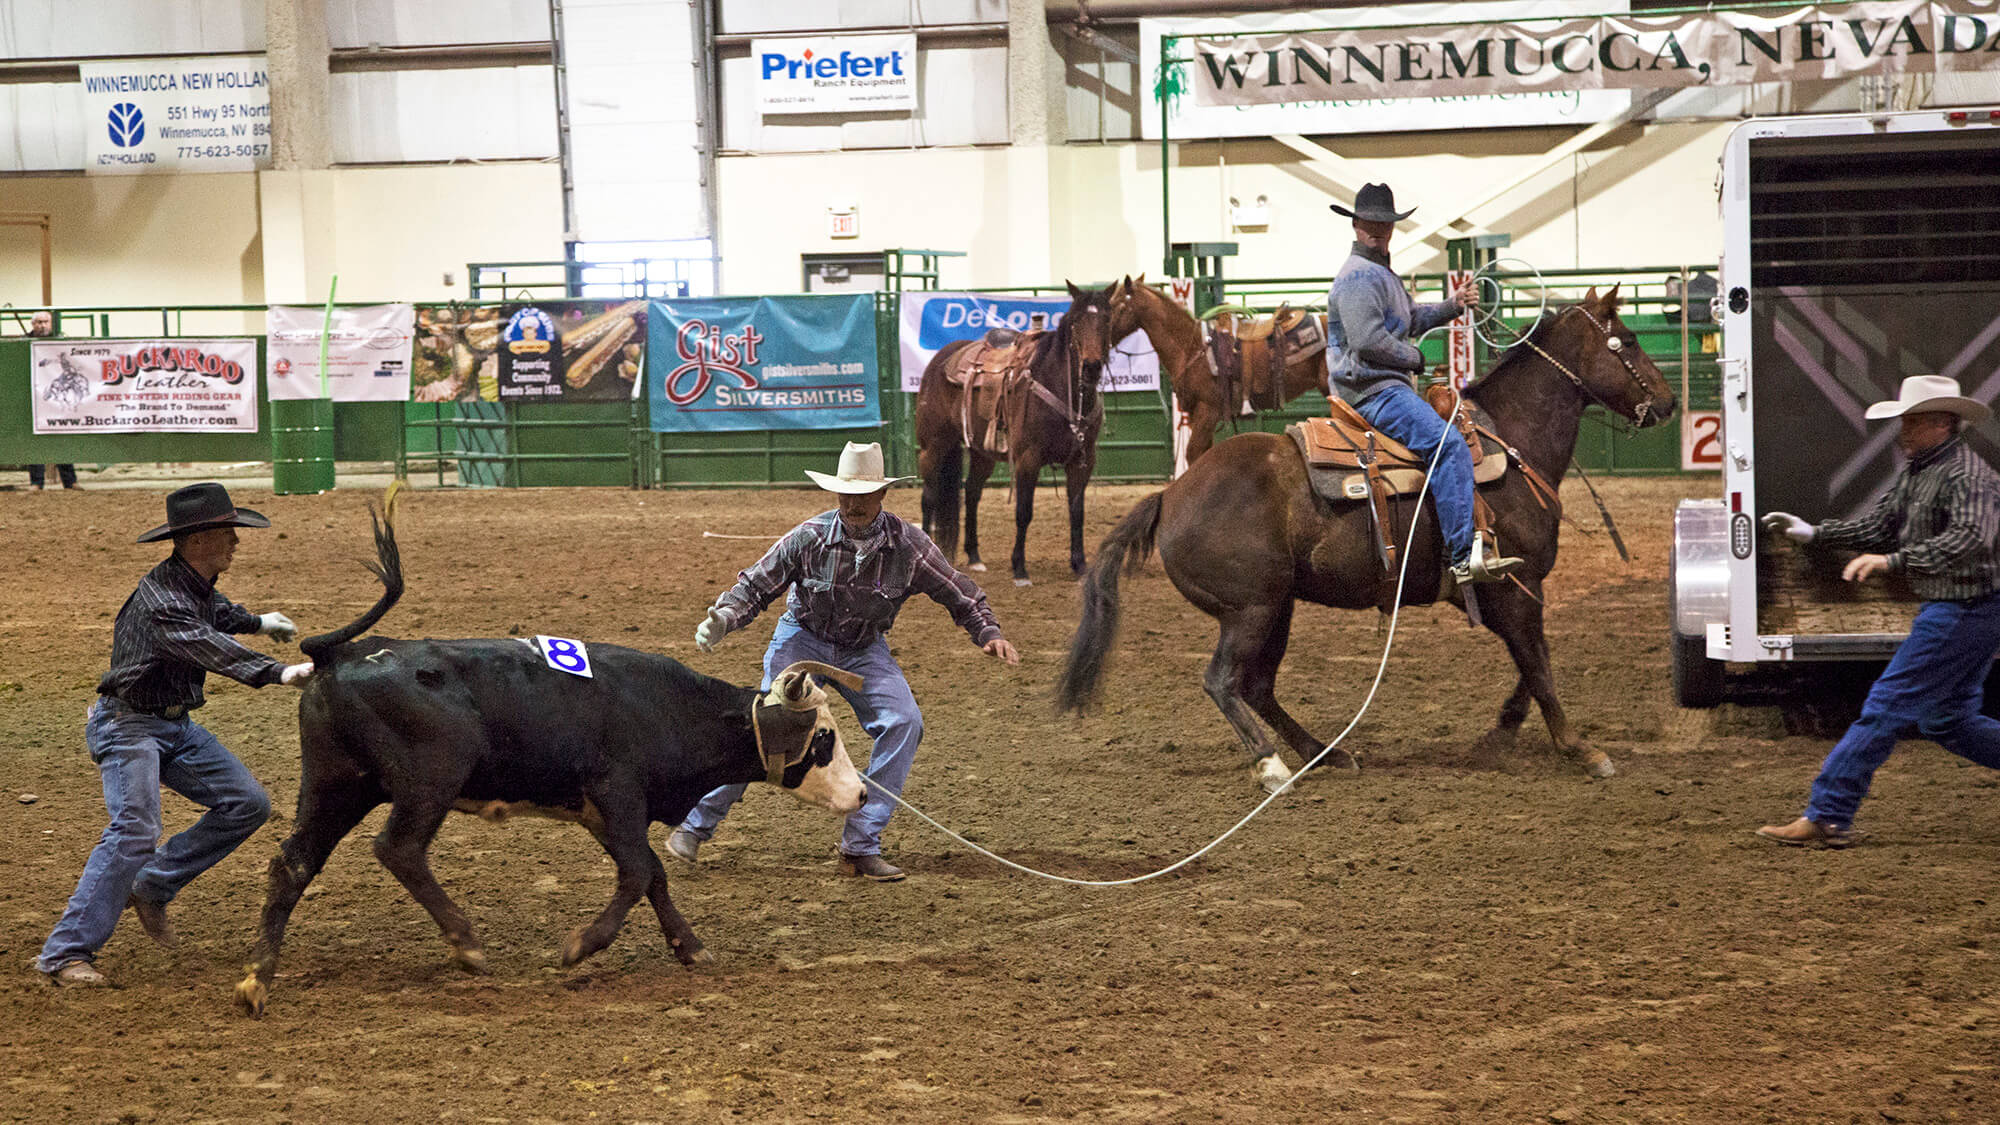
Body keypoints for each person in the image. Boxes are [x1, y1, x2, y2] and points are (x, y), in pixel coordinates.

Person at [669, 441, 1019, 881]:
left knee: (904, 721)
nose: (853, 504)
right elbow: (756, 585)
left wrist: (987, 631)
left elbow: (960, 592)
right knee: (768, 724)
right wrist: (723, 618)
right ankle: (696, 825)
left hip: (863, 649)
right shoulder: (810, 537)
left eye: (862, 495)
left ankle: (860, 845)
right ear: (836, 495)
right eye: (846, 495)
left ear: (881, 495)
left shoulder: (910, 545)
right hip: (803, 640)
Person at [35, 483, 314, 986]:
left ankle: (152, 884)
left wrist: (257, 622)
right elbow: (207, 644)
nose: (236, 541)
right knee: (135, 828)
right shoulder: (163, 601)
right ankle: (64, 953)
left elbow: (218, 615)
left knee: (246, 803)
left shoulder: (190, 582)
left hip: (172, 725)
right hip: (128, 727)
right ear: (198, 540)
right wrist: (276, 671)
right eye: (228, 533)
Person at [1758, 375, 2000, 848]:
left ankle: (1828, 814)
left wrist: (1894, 560)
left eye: (1911, 422)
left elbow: (1970, 541)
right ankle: (1829, 814)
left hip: (1965, 608)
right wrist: (1814, 534)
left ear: (1942, 424)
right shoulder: (1924, 471)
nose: (1903, 431)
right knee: (1946, 720)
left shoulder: (1969, 477)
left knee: (1886, 706)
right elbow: (1880, 523)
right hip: (1967, 608)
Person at [1324, 182, 1519, 585]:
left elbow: (1410, 319)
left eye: (1384, 223)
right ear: (1356, 224)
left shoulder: (1380, 273)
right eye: (1370, 222)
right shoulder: (1360, 277)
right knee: (1448, 445)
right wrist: (1414, 358)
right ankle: (1462, 556)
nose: (1378, 229)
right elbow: (1367, 340)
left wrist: (1452, 306)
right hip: (1373, 391)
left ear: (1392, 227)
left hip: (1382, 387)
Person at [24, 310, 79, 490]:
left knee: (62, 438)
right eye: (38, 322)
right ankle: (36, 482)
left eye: (45, 322)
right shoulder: (24, 342)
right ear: (33, 325)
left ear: (51, 323)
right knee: (34, 441)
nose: (42, 325)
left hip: (58, 397)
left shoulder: (61, 340)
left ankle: (70, 481)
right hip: (35, 396)